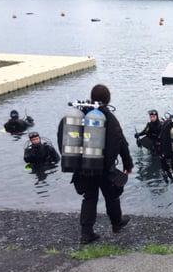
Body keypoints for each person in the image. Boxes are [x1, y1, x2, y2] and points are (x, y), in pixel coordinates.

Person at [57, 84, 133, 244]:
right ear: (108, 99)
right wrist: (127, 163)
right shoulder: (108, 116)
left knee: (89, 198)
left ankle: (86, 233)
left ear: (92, 98)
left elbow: (62, 136)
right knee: (111, 197)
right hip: (104, 167)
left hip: (83, 165)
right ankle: (116, 224)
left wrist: (72, 160)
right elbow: (120, 141)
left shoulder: (81, 113)